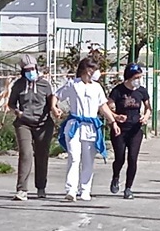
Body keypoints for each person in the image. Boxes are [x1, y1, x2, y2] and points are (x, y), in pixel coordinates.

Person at [55, 58, 121, 202]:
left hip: (91, 127)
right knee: (74, 157)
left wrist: (113, 122)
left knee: (88, 160)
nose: (96, 72)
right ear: (86, 69)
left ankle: (85, 190)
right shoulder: (73, 84)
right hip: (74, 125)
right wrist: (55, 108)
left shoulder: (97, 87)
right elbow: (56, 96)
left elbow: (102, 106)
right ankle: (71, 190)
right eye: (93, 69)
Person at [9, 54, 59, 201]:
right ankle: (22, 189)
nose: (30, 72)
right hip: (24, 123)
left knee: (42, 155)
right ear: (22, 71)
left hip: (43, 124)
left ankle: (41, 187)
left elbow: (52, 102)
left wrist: (55, 110)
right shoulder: (18, 85)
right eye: (27, 70)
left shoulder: (45, 84)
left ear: (36, 68)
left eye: (32, 69)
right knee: (26, 153)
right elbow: (11, 103)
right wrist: (17, 112)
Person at [108, 63, 151, 200]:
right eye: (136, 77)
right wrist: (115, 117)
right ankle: (115, 177)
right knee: (119, 158)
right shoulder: (117, 91)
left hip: (135, 129)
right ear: (129, 78)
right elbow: (107, 108)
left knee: (132, 158)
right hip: (120, 130)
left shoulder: (142, 91)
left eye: (140, 77)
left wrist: (145, 117)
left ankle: (128, 188)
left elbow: (148, 107)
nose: (138, 80)